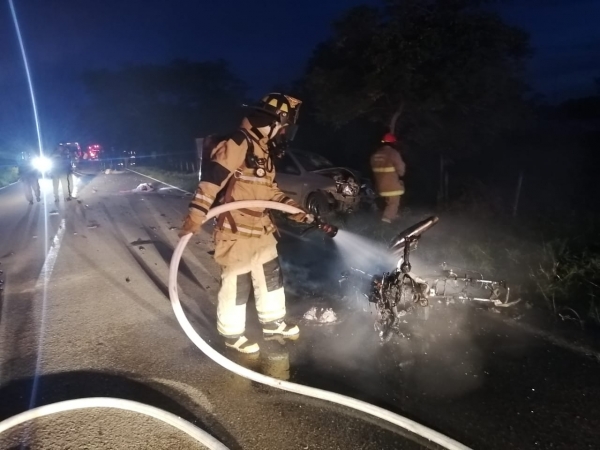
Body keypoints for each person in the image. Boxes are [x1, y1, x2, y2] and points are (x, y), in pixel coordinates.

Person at [179, 93, 313, 354]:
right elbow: (211, 181)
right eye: (283, 127)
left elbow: (269, 191)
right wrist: (195, 216)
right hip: (235, 231)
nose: (283, 133)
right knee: (237, 283)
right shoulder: (238, 142)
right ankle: (232, 334)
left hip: (262, 229)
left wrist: (294, 209)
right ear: (273, 121)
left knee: (271, 277)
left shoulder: (263, 150)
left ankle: (273, 324)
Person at [370, 133, 406, 223]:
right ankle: (386, 221)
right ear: (393, 143)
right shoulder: (393, 153)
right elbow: (401, 170)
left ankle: (390, 216)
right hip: (391, 186)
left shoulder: (375, 155)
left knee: (387, 203)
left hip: (379, 186)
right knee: (394, 203)